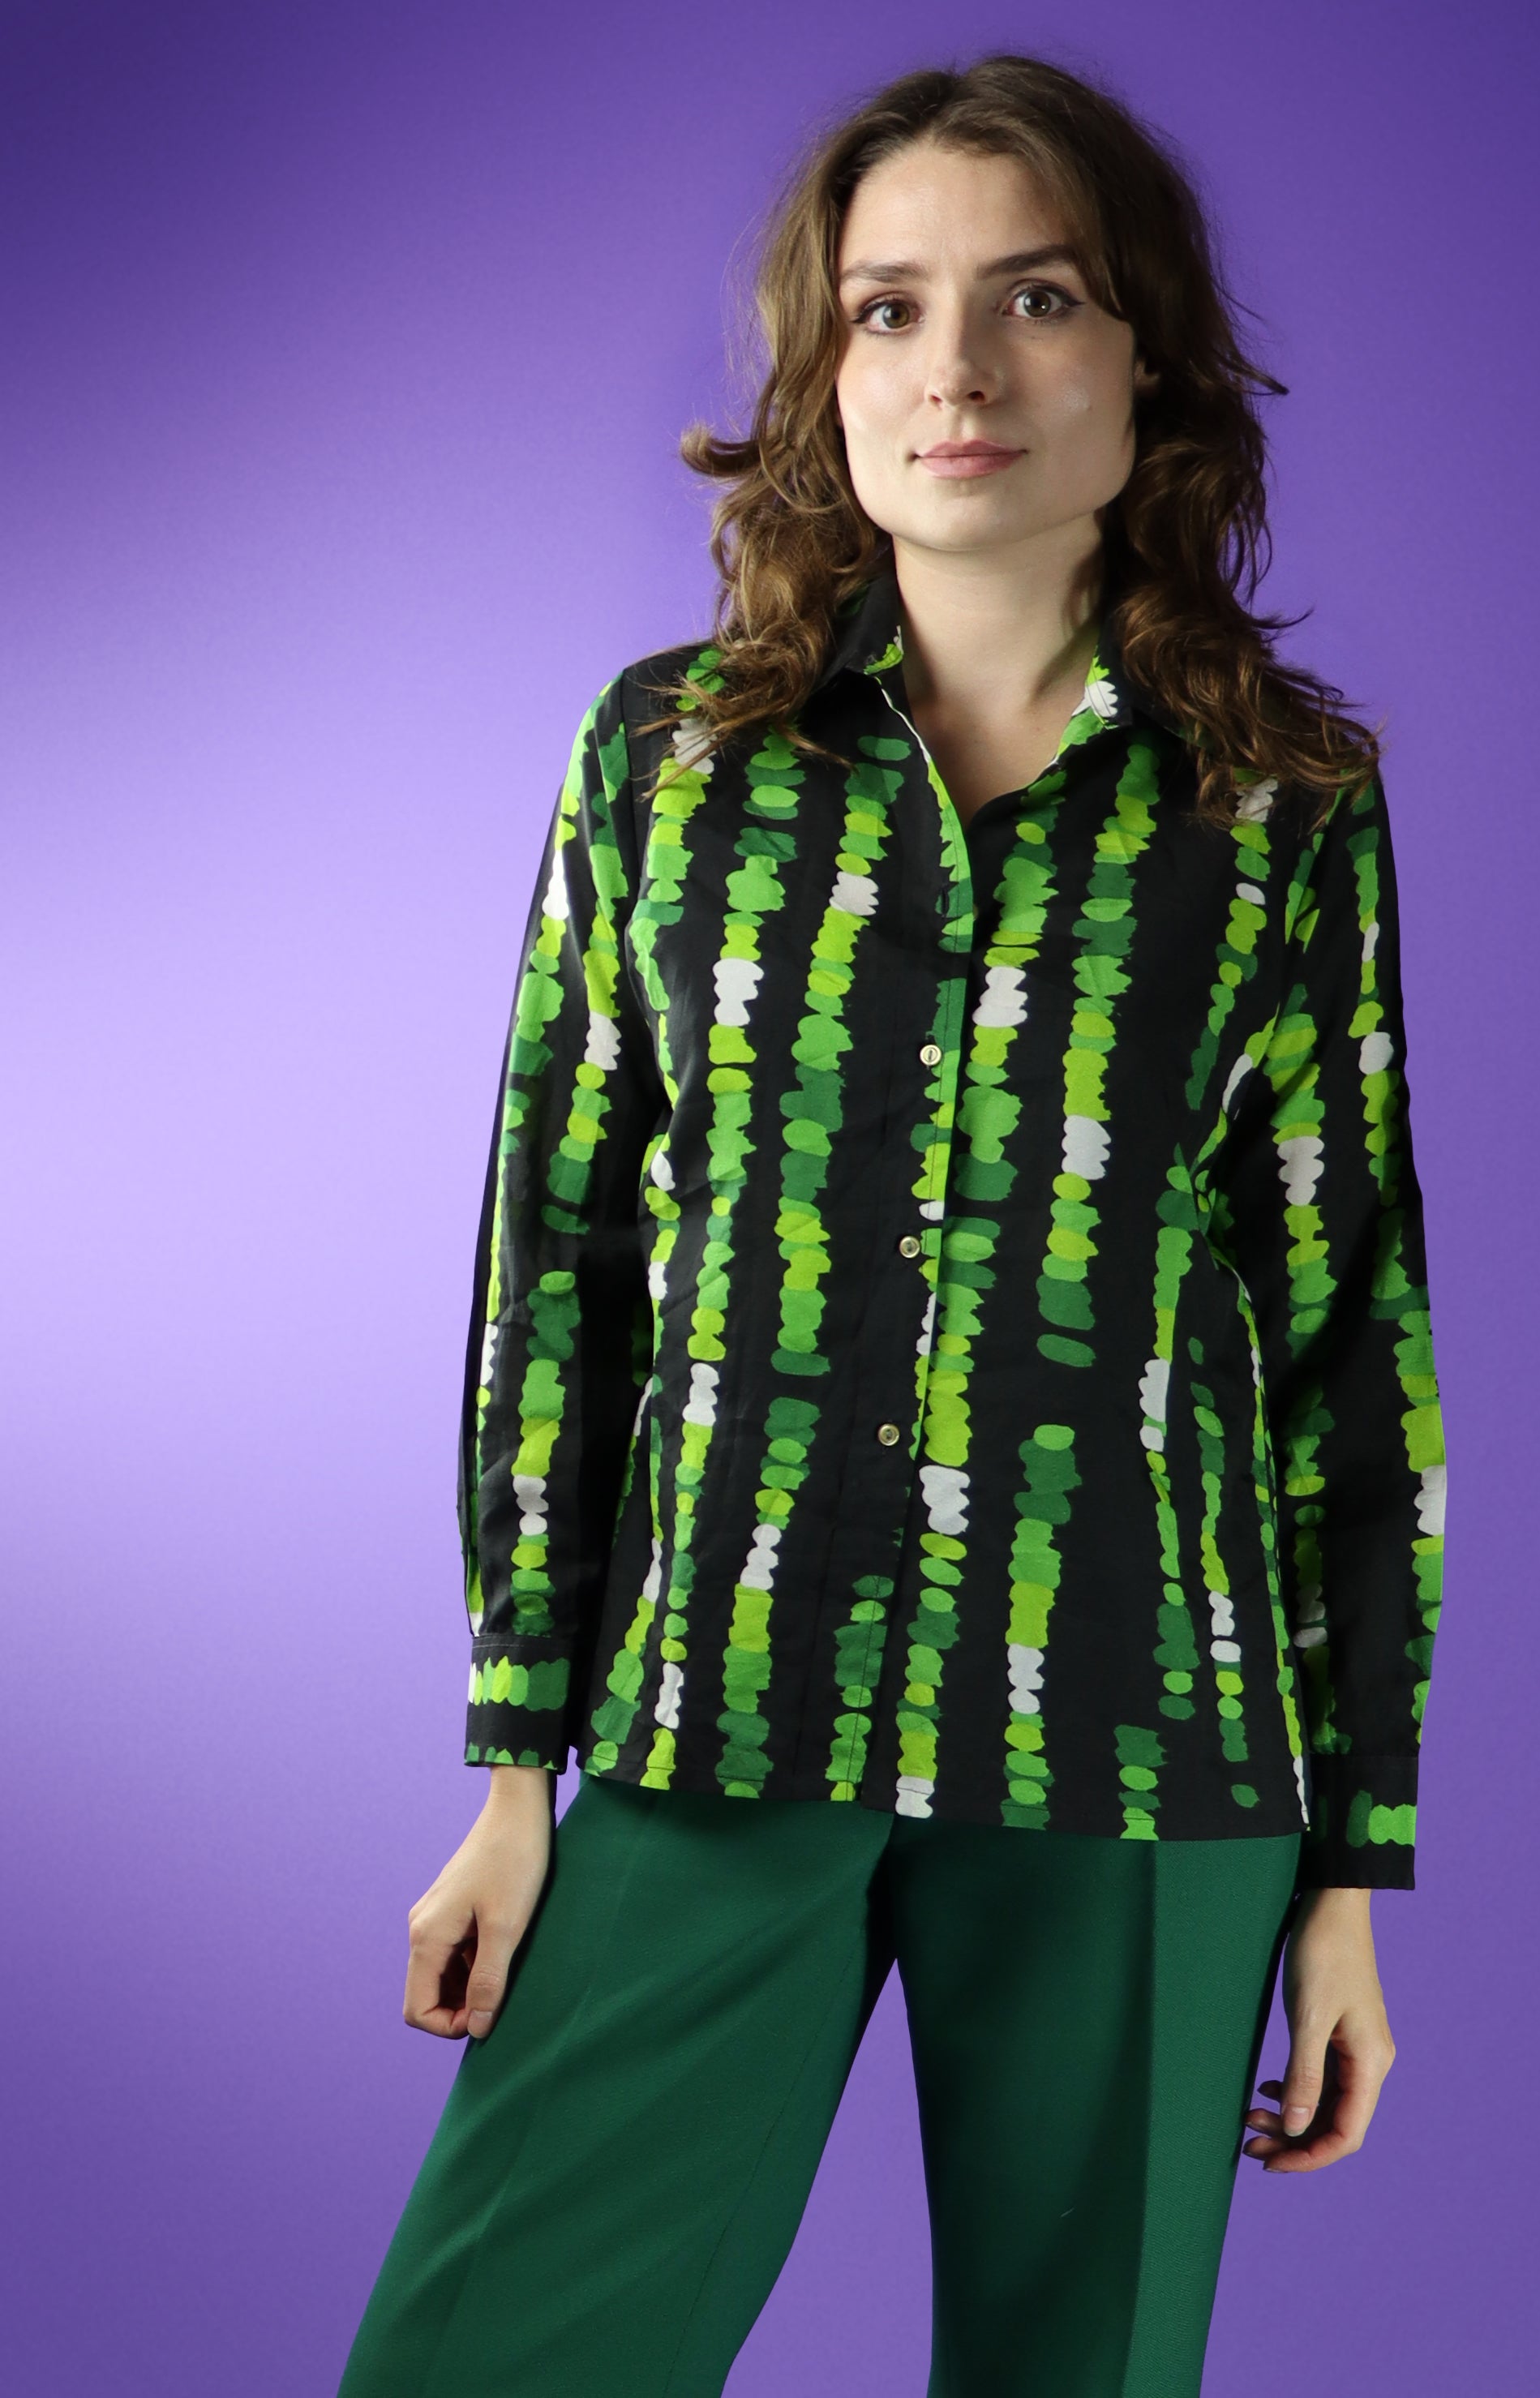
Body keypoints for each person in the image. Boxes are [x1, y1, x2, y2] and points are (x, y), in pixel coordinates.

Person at [336, 49, 1448, 2398]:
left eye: (1036, 297)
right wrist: (516, 1766)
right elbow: (557, 1257)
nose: (959, 370)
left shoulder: (1282, 804)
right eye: (888, 308)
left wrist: (1352, 1871)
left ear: (1145, 356)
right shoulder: (668, 762)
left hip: (1151, 1746)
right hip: (716, 1711)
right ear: (822, 372)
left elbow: (1349, 1331)